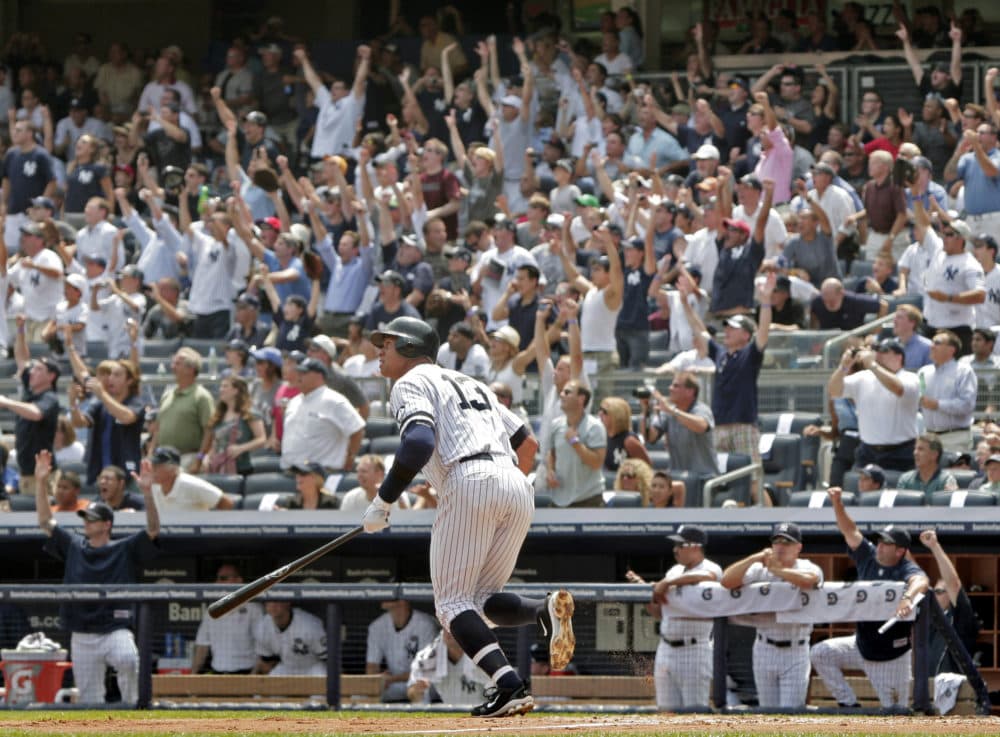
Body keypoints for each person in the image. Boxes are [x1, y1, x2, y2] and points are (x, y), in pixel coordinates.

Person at [363, 316, 574, 717]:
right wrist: (492, 483)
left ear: (409, 348)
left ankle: (509, 685)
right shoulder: (471, 382)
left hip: (470, 477)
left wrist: (385, 499)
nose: (379, 350)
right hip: (515, 482)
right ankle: (541, 610)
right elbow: (526, 443)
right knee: (479, 600)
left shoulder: (409, 381)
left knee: (450, 605)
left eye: (387, 343)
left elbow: (419, 442)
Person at [35, 451, 159, 704]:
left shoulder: (123, 548)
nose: (87, 523)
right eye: (85, 518)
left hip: (115, 628)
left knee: (128, 659)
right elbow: (46, 522)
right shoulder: (74, 545)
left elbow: (153, 529)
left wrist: (147, 493)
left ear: (107, 524)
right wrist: (39, 482)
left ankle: (135, 712)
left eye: (93, 519)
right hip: (82, 631)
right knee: (90, 700)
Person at [810, 489, 929, 709]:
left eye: (887, 543)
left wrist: (907, 599)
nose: (880, 545)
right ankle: (849, 705)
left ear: (900, 551)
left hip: (891, 657)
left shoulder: (904, 567)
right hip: (861, 644)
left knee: (896, 717)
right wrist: (837, 503)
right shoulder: (868, 556)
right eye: (880, 541)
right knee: (820, 653)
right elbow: (850, 530)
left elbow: (921, 581)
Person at [684, 273, 775, 504]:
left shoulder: (750, 354)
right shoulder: (721, 354)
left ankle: (771, 520)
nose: (727, 331)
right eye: (727, 328)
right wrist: (685, 302)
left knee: (754, 480)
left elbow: (763, 332)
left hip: (743, 425)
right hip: (720, 425)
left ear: (745, 334)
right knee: (721, 480)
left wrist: (765, 300)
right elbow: (699, 329)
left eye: (733, 329)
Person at [721, 522, 822, 708]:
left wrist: (777, 570)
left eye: (787, 542)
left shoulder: (806, 566)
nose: (781, 546)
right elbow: (726, 581)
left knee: (790, 711)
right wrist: (754, 558)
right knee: (768, 711)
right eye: (777, 541)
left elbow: (811, 580)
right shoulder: (759, 568)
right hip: (764, 647)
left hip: (795, 649)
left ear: (798, 547)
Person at [650, 525, 722, 710]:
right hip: (666, 647)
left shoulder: (711, 567)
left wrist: (667, 582)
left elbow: (710, 576)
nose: (675, 549)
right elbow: (659, 614)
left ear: (696, 546)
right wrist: (649, 596)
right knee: (666, 711)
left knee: (694, 712)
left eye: (681, 545)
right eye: (675, 545)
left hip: (695, 648)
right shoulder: (674, 570)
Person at [828, 339, 919, 471]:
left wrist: (872, 364)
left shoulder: (909, 377)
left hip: (901, 451)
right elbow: (834, 391)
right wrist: (843, 367)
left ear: (899, 356)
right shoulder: (863, 377)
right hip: (868, 451)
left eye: (884, 351)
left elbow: (898, 389)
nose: (878, 354)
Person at [1, 321, 60, 496]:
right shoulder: (31, 391)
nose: (32, 372)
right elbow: (21, 360)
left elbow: (36, 413)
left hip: (43, 474)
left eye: (39, 370)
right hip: (27, 471)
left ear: (51, 376)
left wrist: (6, 402)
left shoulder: (50, 398)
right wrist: (20, 329)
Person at [280, 358, 365, 472]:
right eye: (298, 372)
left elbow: (357, 430)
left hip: (322, 473)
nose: (299, 376)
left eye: (304, 372)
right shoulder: (294, 402)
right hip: (290, 471)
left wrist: (349, 457)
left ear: (319, 376)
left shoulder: (334, 400)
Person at [69, 359, 145, 485]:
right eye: (110, 374)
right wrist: (73, 403)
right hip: (101, 473)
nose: (110, 378)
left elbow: (127, 417)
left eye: (117, 375)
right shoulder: (100, 403)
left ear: (130, 381)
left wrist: (102, 394)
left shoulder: (135, 402)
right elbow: (79, 423)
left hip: (126, 474)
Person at [919, 529, 982, 676]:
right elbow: (915, 577)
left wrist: (934, 546)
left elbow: (953, 583)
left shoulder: (961, 617)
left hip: (955, 691)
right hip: (931, 688)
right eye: (934, 592)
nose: (934, 596)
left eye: (939, 592)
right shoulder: (933, 619)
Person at [922, 220, 985, 355]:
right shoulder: (939, 253)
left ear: (961, 239)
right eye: (943, 234)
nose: (944, 238)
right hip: (932, 325)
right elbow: (922, 223)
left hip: (957, 330)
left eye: (949, 235)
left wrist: (948, 298)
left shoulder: (970, 264)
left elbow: (980, 295)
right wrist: (918, 199)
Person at [644, 371, 719, 477]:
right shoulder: (669, 411)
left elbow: (701, 426)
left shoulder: (701, 409)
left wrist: (673, 411)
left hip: (703, 478)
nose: (670, 388)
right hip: (676, 476)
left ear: (690, 391)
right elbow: (650, 437)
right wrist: (645, 411)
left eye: (676, 386)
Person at [192, 563, 263, 674]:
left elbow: (262, 647)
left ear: (238, 580)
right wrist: (193, 677)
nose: (218, 583)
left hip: (246, 672)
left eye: (223, 578)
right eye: (218, 579)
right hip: (218, 672)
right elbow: (202, 647)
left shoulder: (253, 609)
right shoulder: (211, 610)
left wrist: (253, 677)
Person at [545, 379, 607, 507]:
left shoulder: (595, 427)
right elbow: (551, 452)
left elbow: (596, 463)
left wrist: (575, 442)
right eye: (562, 392)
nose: (561, 395)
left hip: (589, 500)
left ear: (581, 399)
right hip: (559, 499)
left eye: (567, 392)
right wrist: (550, 471)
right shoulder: (556, 424)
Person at [150, 348, 215, 468]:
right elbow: (158, 429)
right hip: (163, 459)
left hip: (188, 458)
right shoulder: (167, 395)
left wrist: (199, 459)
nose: (172, 367)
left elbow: (209, 431)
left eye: (177, 364)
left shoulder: (202, 397)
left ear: (190, 369)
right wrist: (150, 455)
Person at [367, 599, 440, 702]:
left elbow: (425, 671)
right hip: (394, 685)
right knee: (361, 696)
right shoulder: (376, 626)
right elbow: (371, 669)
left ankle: (421, 718)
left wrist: (392, 679)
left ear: (403, 602)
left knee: (421, 689)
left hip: (423, 681)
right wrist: (379, 678)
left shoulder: (425, 624)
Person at [916, 331, 977, 452]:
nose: (931, 346)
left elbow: (967, 405)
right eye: (932, 342)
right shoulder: (923, 372)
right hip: (928, 438)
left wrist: (937, 405)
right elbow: (919, 400)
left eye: (937, 343)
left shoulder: (964, 371)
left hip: (955, 438)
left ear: (951, 349)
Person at [195, 376, 267, 476]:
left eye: (225, 386)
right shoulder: (219, 415)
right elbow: (215, 442)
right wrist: (207, 457)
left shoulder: (249, 413)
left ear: (236, 390)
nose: (221, 390)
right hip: (218, 467)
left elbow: (262, 439)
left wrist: (240, 448)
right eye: (221, 386)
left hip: (241, 468)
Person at [407, 629, 491, 705]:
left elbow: (498, 691)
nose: (447, 630)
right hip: (450, 716)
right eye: (445, 626)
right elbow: (412, 694)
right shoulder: (428, 657)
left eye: (453, 626)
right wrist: (417, 690)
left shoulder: (483, 656)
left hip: (480, 716)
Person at [144, 445, 234, 511]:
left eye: (157, 466)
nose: (152, 470)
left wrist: (211, 530)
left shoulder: (190, 484)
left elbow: (226, 503)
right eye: (152, 466)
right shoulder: (154, 487)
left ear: (172, 468)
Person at [253, 602, 326, 676]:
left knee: (322, 676)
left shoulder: (310, 624)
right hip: (287, 667)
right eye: (269, 601)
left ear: (288, 603)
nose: (273, 605)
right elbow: (266, 661)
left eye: (277, 601)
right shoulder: (262, 626)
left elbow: (328, 657)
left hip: (312, 667)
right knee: (272, 678)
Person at [896, 434, 959, 500]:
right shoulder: (905, 480)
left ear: (934, 455)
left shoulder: (946, 480)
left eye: (920, 449)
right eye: (915, 449)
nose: (915, 453)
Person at [600, 396, 651, 473]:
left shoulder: (629, 441)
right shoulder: (604, 436)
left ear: (616, 416)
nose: (600, 414)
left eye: (605, 412)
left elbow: (647, 469)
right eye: (600, 410)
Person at [275, 462, 340, 510]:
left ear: (316, 479)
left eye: (303, 474)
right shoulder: (291, 503)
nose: (298, 477)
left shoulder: (331, 503)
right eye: (297, 474)